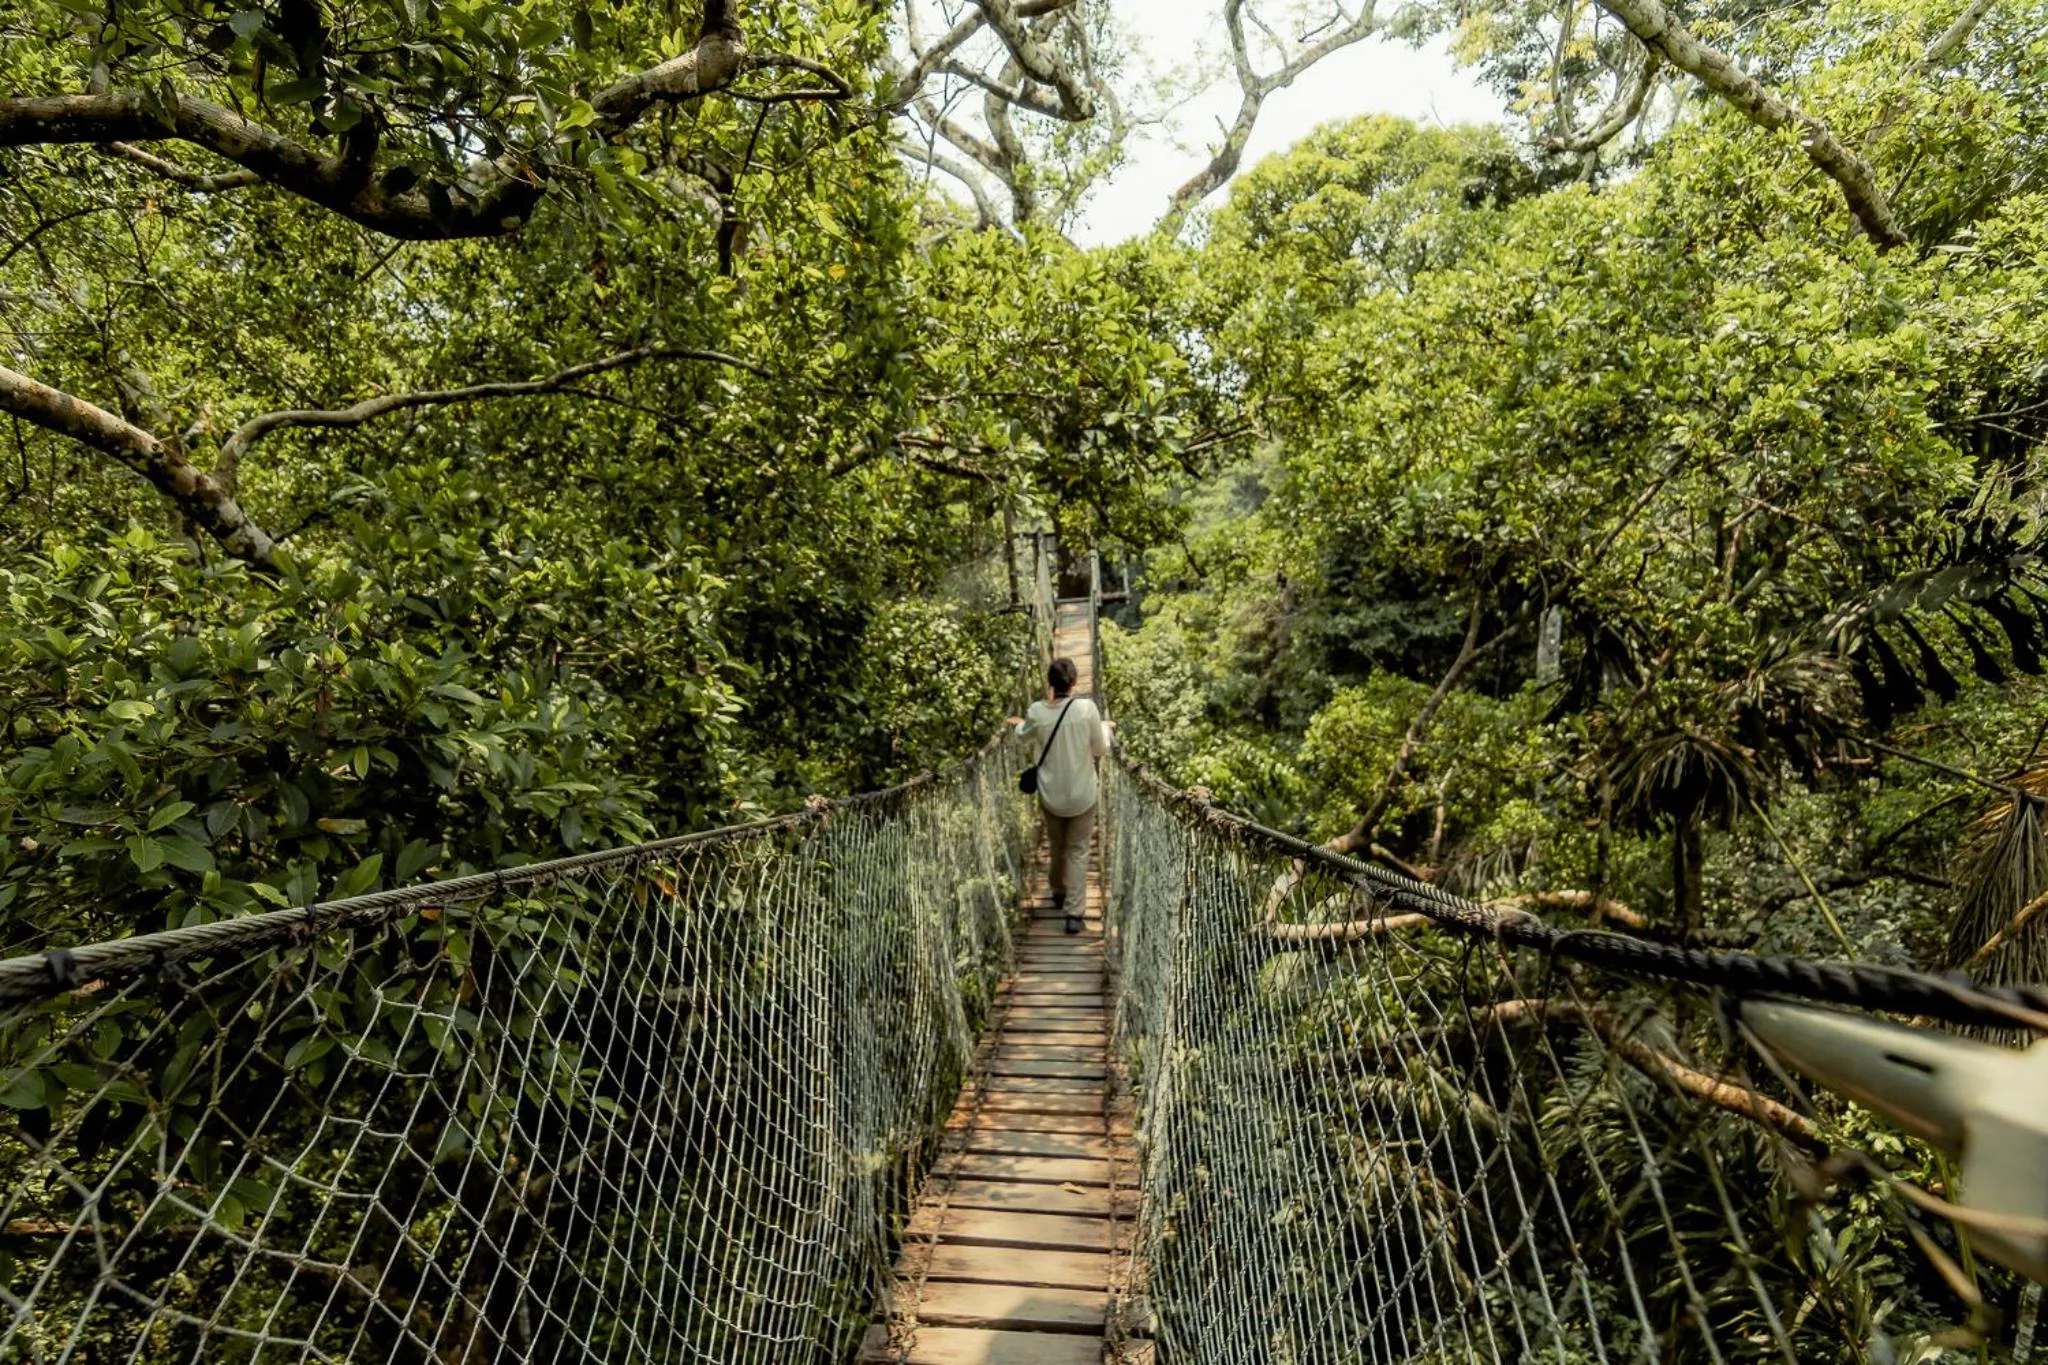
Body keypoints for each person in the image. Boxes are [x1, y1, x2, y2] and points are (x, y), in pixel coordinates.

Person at [1009, 658, 1110, 934]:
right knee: (1078, 851)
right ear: (1074, 682)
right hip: (1082, 795)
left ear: (1050, 683)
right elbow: (1101, 749)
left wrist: (1019, 724)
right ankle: (1074, 914)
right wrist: (1104, 728)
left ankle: (1058, 891)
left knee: (1057, 846)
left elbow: (1021, 736)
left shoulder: (1037, 712)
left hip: (1050, 795)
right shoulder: (1087, 709)